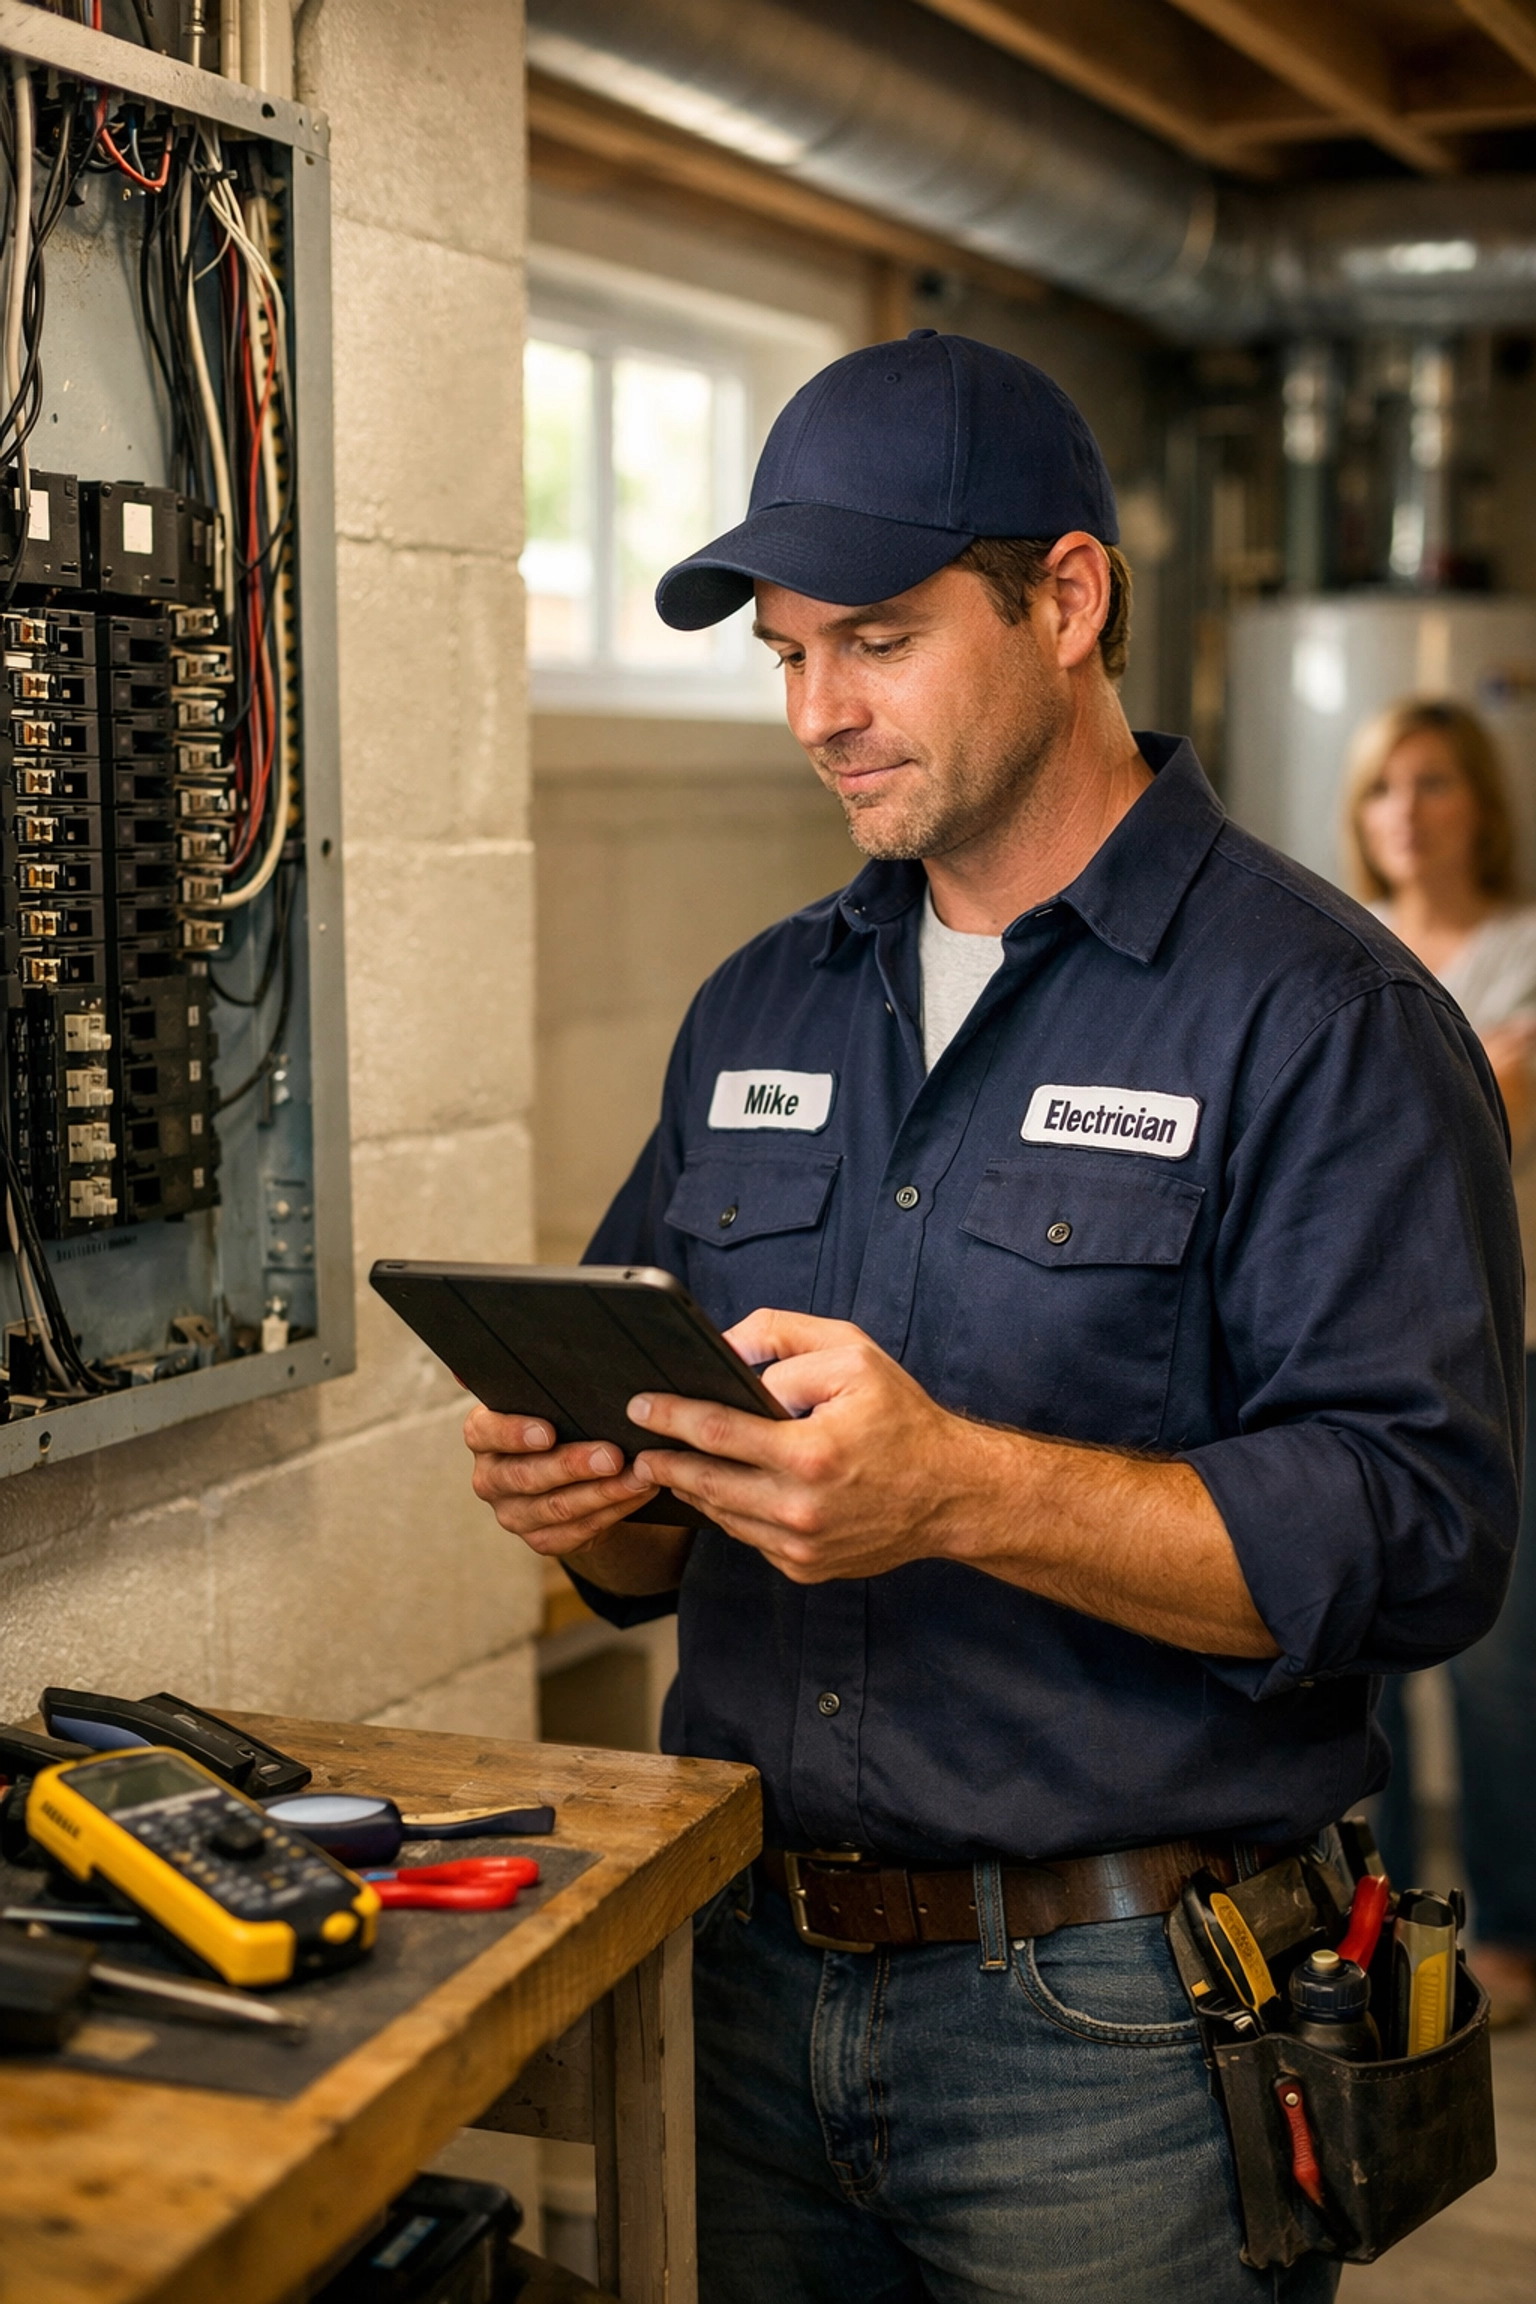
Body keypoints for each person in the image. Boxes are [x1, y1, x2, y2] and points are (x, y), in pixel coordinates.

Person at [467, 333, 1523, 2303]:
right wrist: (592, 1491)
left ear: (1066, 599)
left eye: (872, 636)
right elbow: (660, 1503)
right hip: (745, 1984)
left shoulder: (1321, 1018)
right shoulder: (759, 1011)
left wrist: (956, 1490)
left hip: (1114, 2041)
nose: (815, 711)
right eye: (784, 652)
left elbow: (1423, 1534)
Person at [1345, 696, 1536, 2025]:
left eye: (1436, 785)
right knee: (1363, 1661)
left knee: (1500, 1670)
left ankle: (1515, 1934)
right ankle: (1389, 1930)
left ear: (1483, 802)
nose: (1408, 814)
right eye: (1384, 790)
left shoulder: (1528, 953)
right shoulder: (1341, 950)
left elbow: (1467, 1141)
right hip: (1363, 1354)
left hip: (1509, 1351)